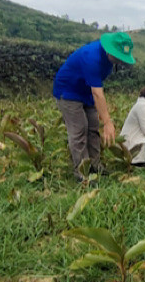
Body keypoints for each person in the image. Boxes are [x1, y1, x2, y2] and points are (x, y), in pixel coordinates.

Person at [53, 32, 135, 182]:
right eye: (118, 58)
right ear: (110, 51)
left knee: (93, 128)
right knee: (79, 130)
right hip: (69, 91)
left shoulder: (109, 59)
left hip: (86, 92)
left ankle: (95, 167)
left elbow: (96, 90)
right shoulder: (91, 57)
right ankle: (82, 173)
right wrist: (108, 122)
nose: (120, 61)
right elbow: (98, 94)